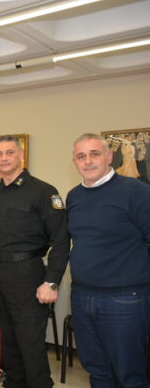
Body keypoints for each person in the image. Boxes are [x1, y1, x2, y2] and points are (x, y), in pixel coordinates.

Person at [0, 135, 70, 388]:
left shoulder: (43, 192)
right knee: (4, 341)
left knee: (30, 343)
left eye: (9, 152)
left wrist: (52, 281)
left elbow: (61, 241)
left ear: (21, 155)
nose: (3, 158)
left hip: (26, 274)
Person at [67, 133, 150, 387]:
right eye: (81, 156)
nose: (88, 161)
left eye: (95, 154)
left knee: (129, 375)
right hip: (82, 297)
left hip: (125, 300)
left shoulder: (136, 191)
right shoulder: (74, 196)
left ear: (109, 156)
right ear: (74, 162)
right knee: (97, 370)